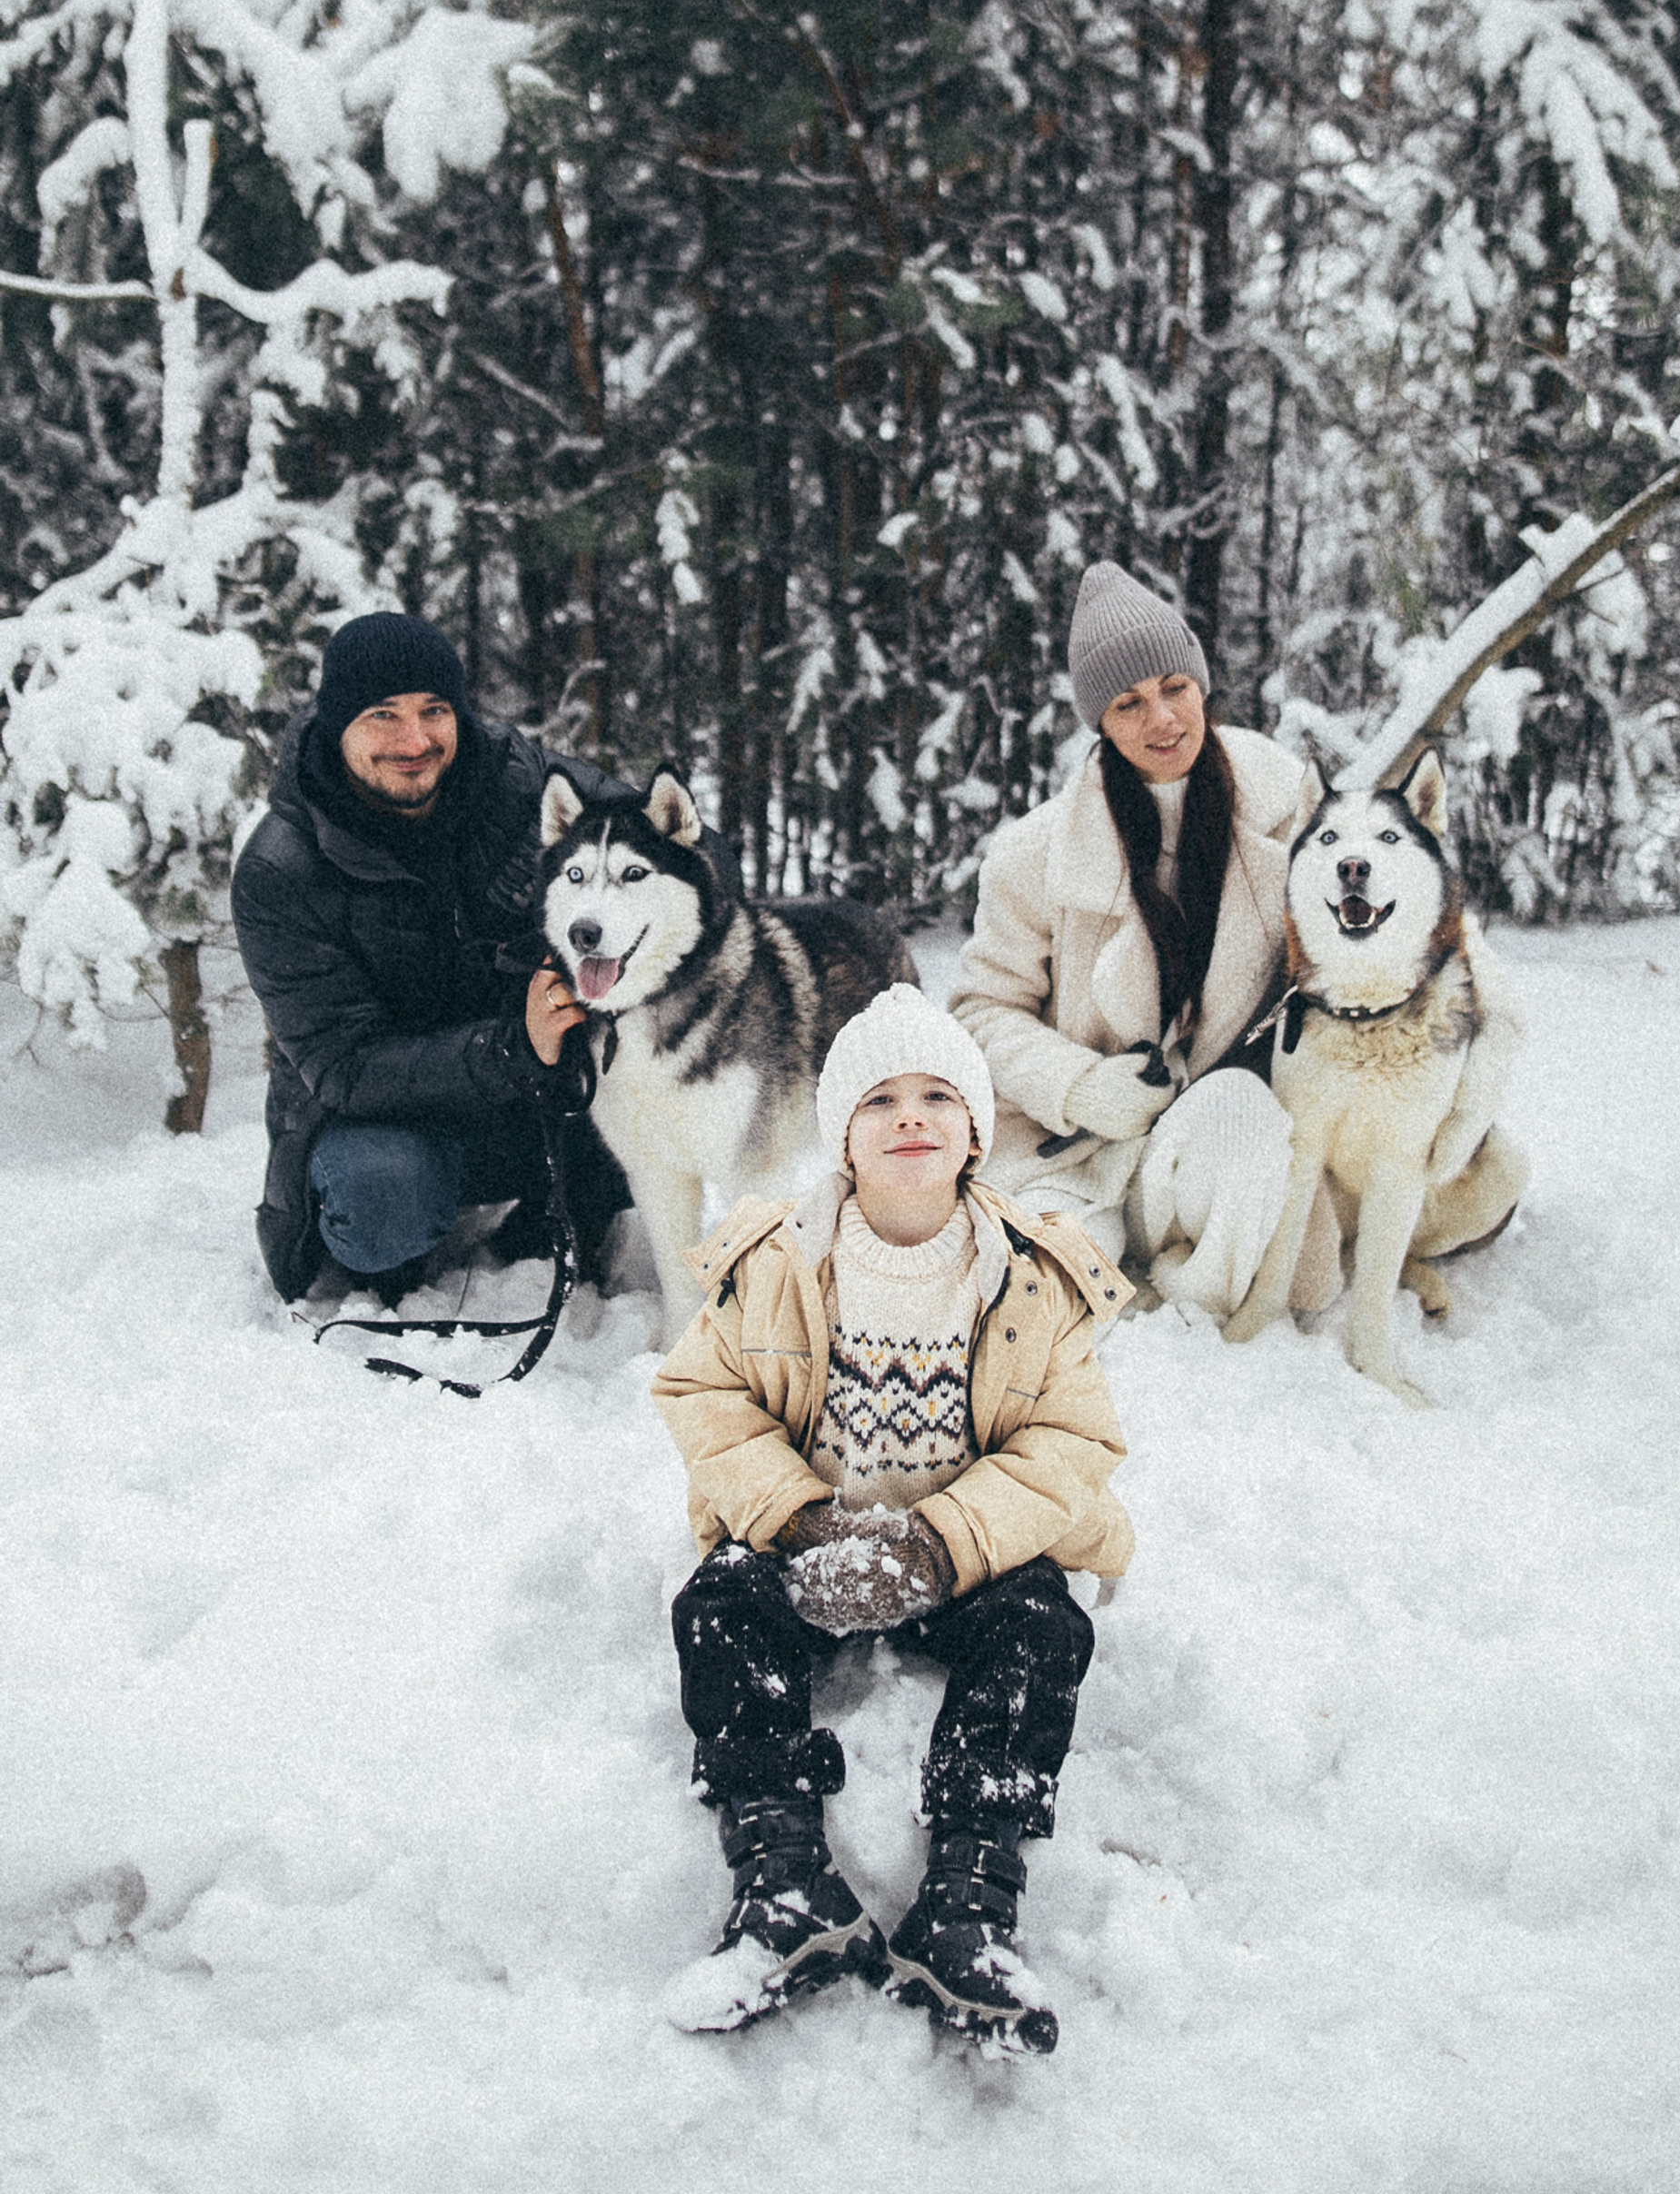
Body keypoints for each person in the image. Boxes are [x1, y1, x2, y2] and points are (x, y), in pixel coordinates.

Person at [651, 983, 1133, 2054]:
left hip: (962, 1563)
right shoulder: (774, 1262)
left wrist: (937, 1546)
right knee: (721, 1604)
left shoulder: (1031, 1279)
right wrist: (801, 1523)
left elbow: (1074, 1445)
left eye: (936, 1096)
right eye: (878, 1101)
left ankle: (969, 1905)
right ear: (842, 1139)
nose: (910, 1116)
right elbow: (705, 1398)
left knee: (1043, 1625)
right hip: (816, 1549)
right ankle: (785, 1889)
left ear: (974, 1130)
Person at [949, 558, 1339, 1321]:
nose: (1162, 719)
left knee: (1240, 1112)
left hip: (1217, 1144)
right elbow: (977, 1013)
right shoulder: (1033, 856)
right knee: (1024, 1304)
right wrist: (1077, 1085)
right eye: (1129, 703)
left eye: (1175, 688)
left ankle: (1191, 1308)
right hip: (1081, 1150)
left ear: (1202, 686)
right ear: (1099, 721)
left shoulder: (1291, 809)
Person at [232, 611, 631, 1306]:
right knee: (382, 1198)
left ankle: (563, 1214)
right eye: (383, 715)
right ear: (335, 725)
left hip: (530, 1094)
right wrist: (517, 1044)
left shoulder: (515, 776)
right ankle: (386, 1253)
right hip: (384, 1115)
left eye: (433, 710)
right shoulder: (281, 868)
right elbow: (346, 1065)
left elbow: (670, 843)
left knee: (649, 1090)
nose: (414, 741)